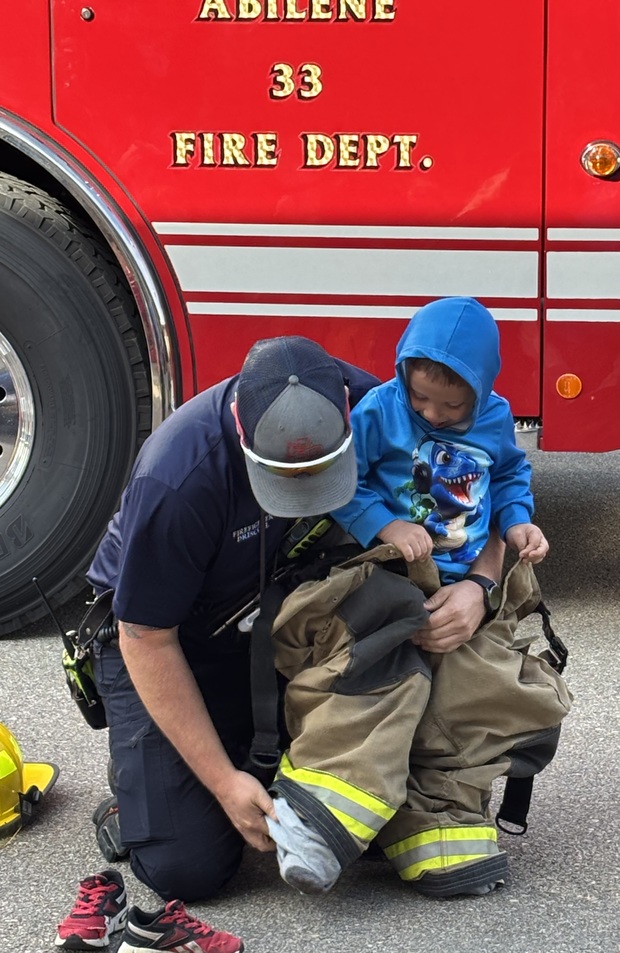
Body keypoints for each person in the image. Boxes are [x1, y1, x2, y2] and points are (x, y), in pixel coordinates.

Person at [266, 297, 571, 898]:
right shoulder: (381, 408)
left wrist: (517, 524)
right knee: (380, 664)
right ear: (403, 372)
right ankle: (319, 816)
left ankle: (436, 823)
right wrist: (385, 525)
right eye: (421, 398)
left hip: (461, 577)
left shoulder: (496, 417)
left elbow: (510, 475)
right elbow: (341, 482)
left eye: (452, 406)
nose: (432, 413)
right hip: (389, 568)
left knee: (473, 679)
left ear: (481, 392)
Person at [86, 335, 384, 902]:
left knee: (375, 823)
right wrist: (223, 782)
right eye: (283, 480)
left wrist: (480, 583)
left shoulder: (371, 400)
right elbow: (145, 636)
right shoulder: (176, 477)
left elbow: (478, 472)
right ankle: (140, 784)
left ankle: (222, 750)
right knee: (188, 867)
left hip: (274, 615)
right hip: (169, 638)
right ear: (242, 433)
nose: (304, 497)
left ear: (346, 409)